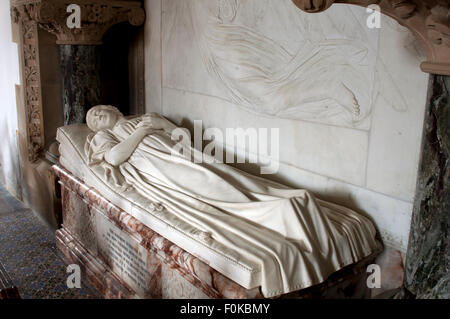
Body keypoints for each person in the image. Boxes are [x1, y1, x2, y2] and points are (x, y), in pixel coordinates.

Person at [85, 105, 378, 297]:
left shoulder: (143, 118)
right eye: (94, 118)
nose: (98, 115)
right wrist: (144, 130)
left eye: (99, 110)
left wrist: (159, 122)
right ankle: (276, 211)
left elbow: (183, 136)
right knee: (215, 191)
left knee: (232, 181)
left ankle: (282, 209)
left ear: (113, 108)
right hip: (161, 172)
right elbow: (114, 157)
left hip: (188, 158)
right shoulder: (105, 136)